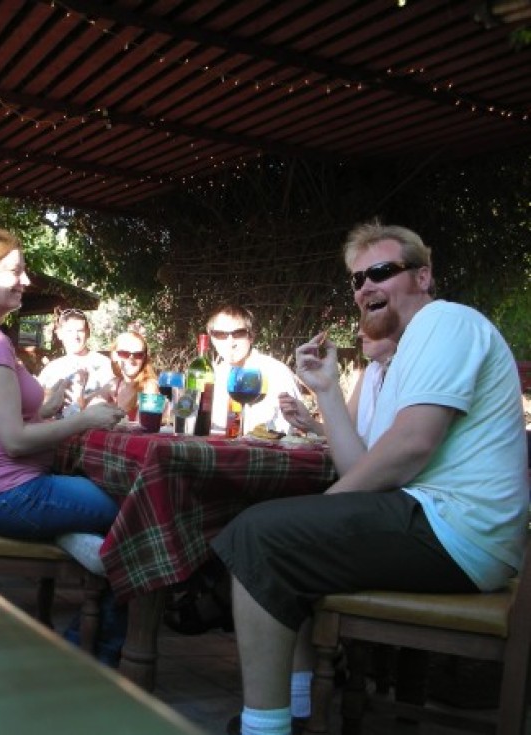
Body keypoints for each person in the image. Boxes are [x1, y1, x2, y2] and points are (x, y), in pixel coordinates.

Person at [211, 222, 529, 735]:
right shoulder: (402, 357)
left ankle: (264, 729)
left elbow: (412, 445)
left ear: (422, 276)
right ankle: (296, 708)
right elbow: (361, 466)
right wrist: (326, 390)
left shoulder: (445, 321)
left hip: (459, 530)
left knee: (259, 535)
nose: (366, 287)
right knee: (278, 533)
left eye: (381, 271)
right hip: (440, 525)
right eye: (358, 279)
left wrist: (325, 507)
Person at [0, 227, 128, 662]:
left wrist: (44, 408)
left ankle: (76, 541)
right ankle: (91, 655)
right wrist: (84, 419)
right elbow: (15, 441)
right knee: (141, 513)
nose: (25, 280)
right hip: (5, 494)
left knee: (109, 503)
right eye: (14, 271)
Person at [279, 330, 397, 441]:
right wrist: (310, 424)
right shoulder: (371, 373)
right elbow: (346, 435)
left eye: (372, 323)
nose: (360, 333)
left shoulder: (405, 375)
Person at [206, 305, 301, 435]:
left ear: (251, 337)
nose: (230, 342)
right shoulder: (212, 375)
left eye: (238, 333)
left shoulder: (276, 373)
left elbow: (293, 429)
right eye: (221, 334)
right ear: (212, 339)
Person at [37, 307, 114, 416]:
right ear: (59, 334)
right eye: (69, 331)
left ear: (88, 333)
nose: (75, 336)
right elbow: (37, 406)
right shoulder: (51, 369)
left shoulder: (105, 365)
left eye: (80, 331)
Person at [89, 330, 159, 420]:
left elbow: (145, 425)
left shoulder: (150, 386)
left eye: (138, 355)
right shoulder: (115, 384)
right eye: (124, 354)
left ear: (144, 358)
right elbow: (89, 411)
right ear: (114, 356)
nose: (131, 360)